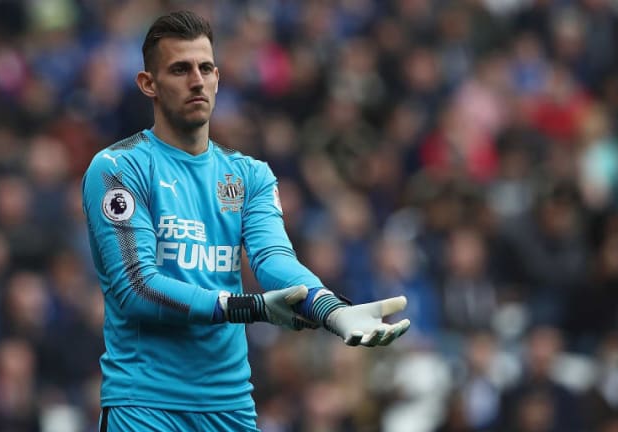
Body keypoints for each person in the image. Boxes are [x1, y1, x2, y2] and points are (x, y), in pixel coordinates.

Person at [81, 10, 411, 432]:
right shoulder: (117, 168)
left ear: (218, 78)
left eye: (205, 69)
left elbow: (274, 260)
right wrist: (250, 307)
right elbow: (138, 288)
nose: (196, 81)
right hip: (146, 406)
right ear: (149, 84)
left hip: (230, 407)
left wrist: (330, 309)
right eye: (180, 69)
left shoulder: (249, 175)